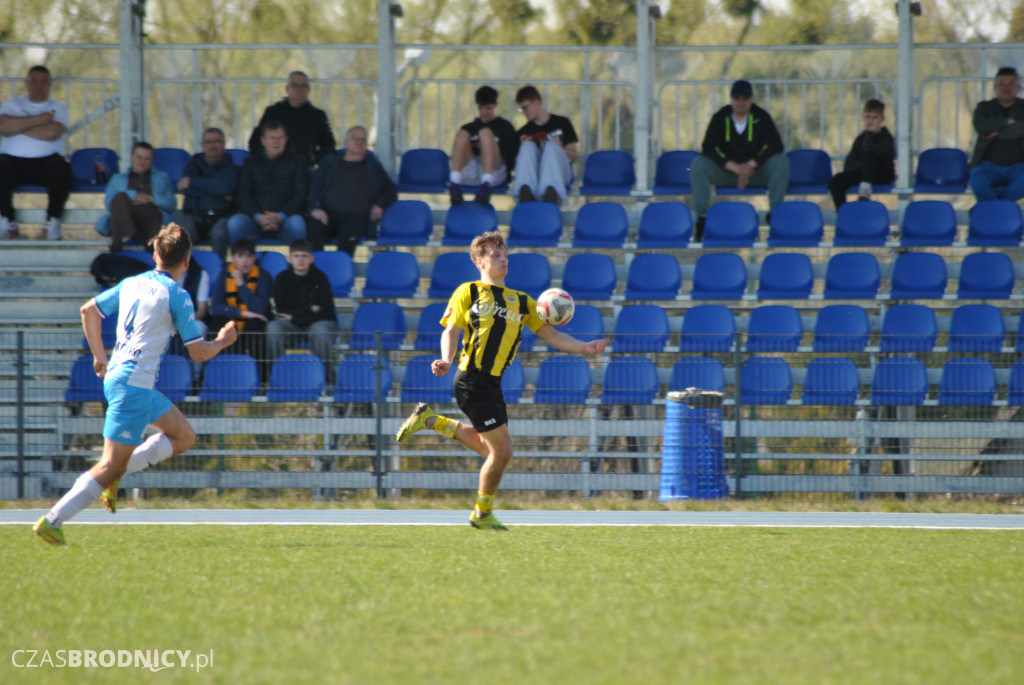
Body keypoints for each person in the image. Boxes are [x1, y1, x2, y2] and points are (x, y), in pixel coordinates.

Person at [33, 223, 237, 545]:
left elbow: (88, 311)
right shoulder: (178, 296)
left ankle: (116, 476)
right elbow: (199, 353)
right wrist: (223, 341)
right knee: (109, 465)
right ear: (187, 262)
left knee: (183, 436)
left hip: (123, 377)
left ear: (155, 255)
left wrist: (99, 356)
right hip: (134, 385)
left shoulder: (132, 283)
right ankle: (53, 520)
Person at [395, 231, 608, 531]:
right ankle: (481, 515)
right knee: (502, 452)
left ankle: (431, 420)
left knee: (491, 451)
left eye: (505, 254)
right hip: (471, 379)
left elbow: (552, 335)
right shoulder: (468, 291)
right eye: (495, 255)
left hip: (493, 384)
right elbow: (451, 330)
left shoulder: (522, 302)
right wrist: (446, 359)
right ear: (479, 261)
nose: (503, 259)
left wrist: (586, 347)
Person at [690, 79, 789, 241]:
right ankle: (702, 219)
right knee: (699, 165)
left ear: (752, 99)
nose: (741, 102)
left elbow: (775, 145)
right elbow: (708, 147)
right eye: (737, 98)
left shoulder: (761, 116)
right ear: (731, 99)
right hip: (727, 173)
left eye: (745, 98)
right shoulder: (720, 117)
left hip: (756, 173)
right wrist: (733, 167)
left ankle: (775, 216)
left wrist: (752, 164)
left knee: (781, 163)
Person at [213, 120, 309, 259]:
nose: (276, 142)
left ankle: (298, 269)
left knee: (298, 224)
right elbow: (243, 195)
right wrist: (258, 217)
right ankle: (241, 267)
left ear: (286, 140)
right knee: (236, 223)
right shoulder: (250, 163)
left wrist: (281, 216)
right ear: (263, 141)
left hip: (286, 219)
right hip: (255, 221)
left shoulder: (298, 162)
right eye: (272, 138)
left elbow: (300, 195)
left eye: (280, 138)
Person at [0, 65, 74, 240]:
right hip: (10, 161)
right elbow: (3, 128)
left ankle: (51, 223)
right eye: (34, 80)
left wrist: (18, 126)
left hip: (48, 162)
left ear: (49, 84)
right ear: (27, 83)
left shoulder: (58, 107)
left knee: (63, 170)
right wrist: (40, 120)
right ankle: (8, 222)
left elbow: (52, 133)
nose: (39, 85)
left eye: (44, 81)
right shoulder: (13, 104)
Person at [307, 125, 397, 255]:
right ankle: (317, 266)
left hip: (355, 220)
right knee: (315, 227)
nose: (360, 143)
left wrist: (379, 205)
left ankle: (342, 267)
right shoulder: (330, 162)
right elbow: (315, 188)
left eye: (363, 140)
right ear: (346, 141)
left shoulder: (372, 166)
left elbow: (390, 191)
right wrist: (316, 209)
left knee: (350, 232)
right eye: (355, 139)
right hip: (327, 215)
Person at [266, 239, 338, 382]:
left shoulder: (321, 278)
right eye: (297, 256)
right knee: (273, 328)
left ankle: (326, 380)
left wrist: (294, 316)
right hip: (293, 326)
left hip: (317, 324)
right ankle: (278, 377)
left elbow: (327, 312)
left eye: (305, 256)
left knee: (322, 332)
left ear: (311, 259)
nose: (300, 260)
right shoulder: (281, 278)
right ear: (290, 258)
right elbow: (282, 311)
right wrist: (310, 309)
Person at [94, 142, 177, 253]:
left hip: (151, 217)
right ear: (131, 156)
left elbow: (171, 204)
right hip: (125, 216)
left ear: (152, 160)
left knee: (149, 212)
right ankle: (126, 234)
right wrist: (134, 196)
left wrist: (151, 198)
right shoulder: (118, 179)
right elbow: (109, 203)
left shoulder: (161, 178)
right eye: (139, 157)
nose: (142, 162)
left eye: (147, 159)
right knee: (119, 198)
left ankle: (124, 241)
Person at [448, 85, 519, 206]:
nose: (484, 113)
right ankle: (454, 182)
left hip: (494, 173)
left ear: (495, 105)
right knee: (462, 133)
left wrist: (488, 146)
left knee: (485, 133)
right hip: (471, 170)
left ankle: (486, 185)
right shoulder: (470, 127)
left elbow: (511, 156)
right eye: (481, 108)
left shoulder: (505, 127)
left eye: (488, 108)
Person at [248, 70, 335, 167]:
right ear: (287, 89)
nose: (299, 89)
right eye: (295, 85)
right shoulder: (273, 112)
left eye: (304, 86)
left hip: (305, 169)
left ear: (309, 90)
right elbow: (256, 141)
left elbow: (329, 146)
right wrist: (267, 158)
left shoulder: (318, 116)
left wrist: (314, 158)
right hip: (274, 167)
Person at [512, 85, 579, 205]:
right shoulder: (524, 131)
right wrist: (520, 148)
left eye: (526, 107)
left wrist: (560, 148)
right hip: (535, 175)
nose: (524, 112)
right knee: (527, 147)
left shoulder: (562, 123)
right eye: (522, 109)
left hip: (560, 173)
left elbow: (574, 157)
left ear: (537, 102)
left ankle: (551, 194)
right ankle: (525, 193)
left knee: (551, 147)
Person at [170, 127, 239, 243]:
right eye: (208, 142)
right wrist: (218, 192)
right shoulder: (192, 166)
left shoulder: (233, 168)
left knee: (219, 234)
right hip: (193, 214)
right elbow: (185, 189)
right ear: (202, 145)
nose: (212, 145)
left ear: (224, 144)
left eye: (217, 141)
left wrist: (192, 181)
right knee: (183, 235)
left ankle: (219, 257)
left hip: (222, 215)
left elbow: (225, 189)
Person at [209, 239, 272, 364]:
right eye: (240, 256)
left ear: (254, 258)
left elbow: (260, 308)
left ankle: (259, 372)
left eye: (248, 256)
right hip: (234, 317)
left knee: (255, 325)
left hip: (254, 321)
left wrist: (241, 284)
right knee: (219, 323)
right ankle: (225, 366)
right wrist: (244, 313)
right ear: (233, 258)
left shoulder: (264, 276)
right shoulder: (224, 275)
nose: (244, 261)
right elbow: (216, 307)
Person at [968, 66, 1024, 202]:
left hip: (1020, 165)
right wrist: (1007, 122)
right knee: (977, 181)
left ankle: (993, 209)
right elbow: (981, 126)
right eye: (1002, 84)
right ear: (995, 87)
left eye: (1010, 84)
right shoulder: (984, 108)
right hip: (987, 165)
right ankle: (1001, 209)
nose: (1006, 88)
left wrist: (996, 132)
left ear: (1018, 87)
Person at [828, 99, 896, 208]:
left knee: (869, 155)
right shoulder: (861, 137)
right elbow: (851, 159)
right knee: (836, 181)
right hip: (862, 173)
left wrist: (872, 136)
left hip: (881, 175)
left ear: (882, 119)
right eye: (868, 117)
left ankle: (865, 192)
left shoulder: (886, 137)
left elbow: (878, 153)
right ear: (863, 117)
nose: (871, 121)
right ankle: (842, 212)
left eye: (875, 117)